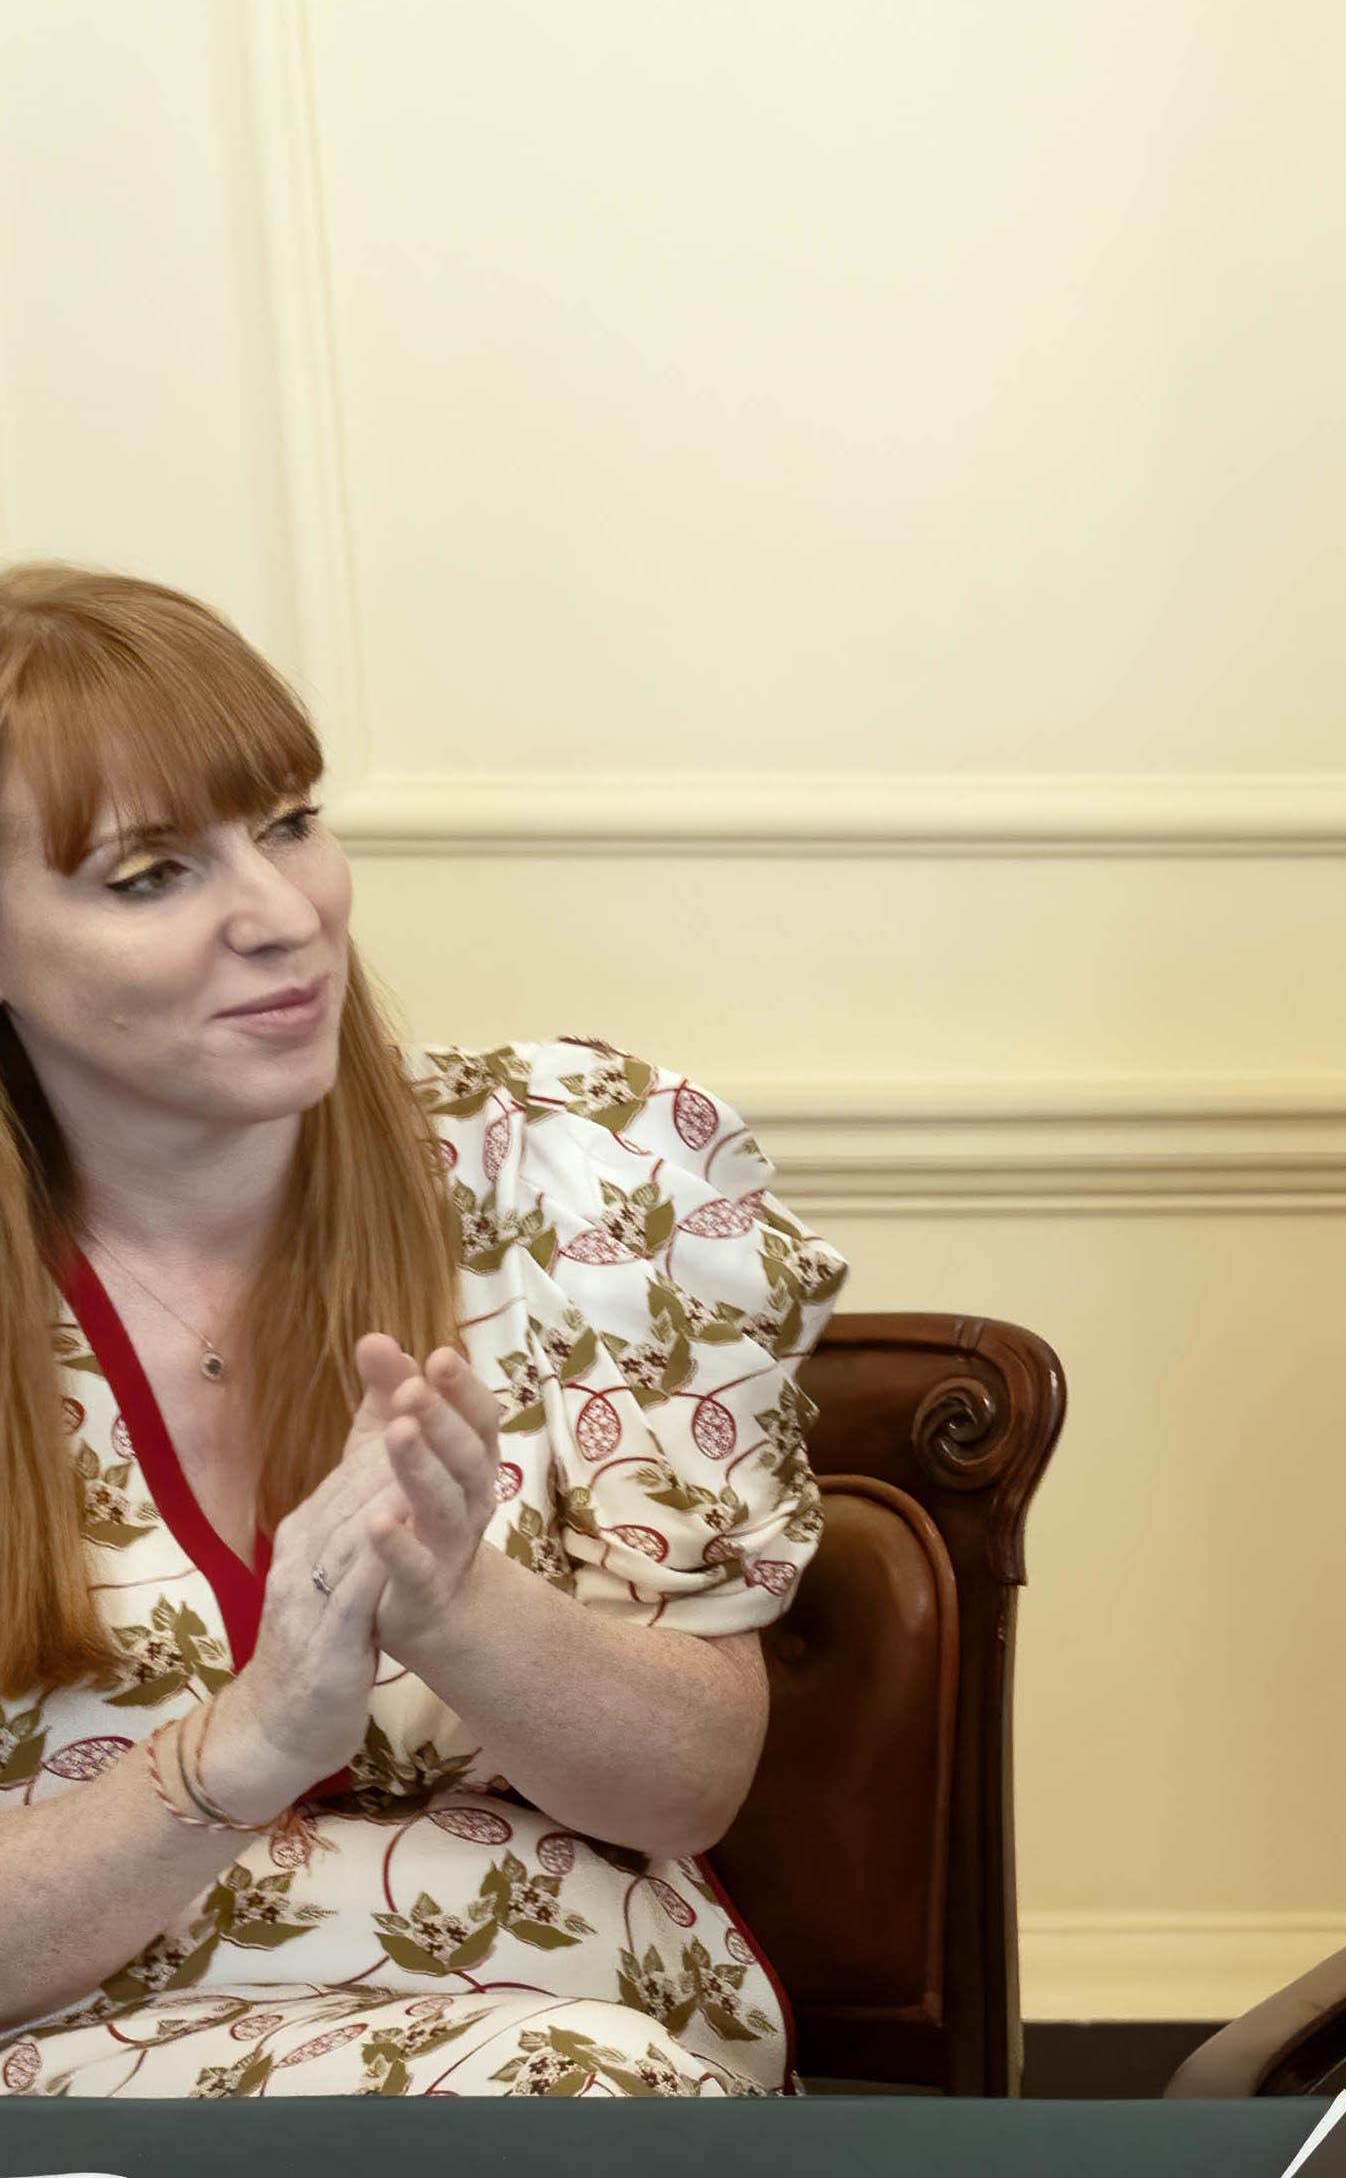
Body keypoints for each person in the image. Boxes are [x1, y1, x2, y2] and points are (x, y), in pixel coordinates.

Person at [0, 566, 840, 2095]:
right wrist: (234, 1753)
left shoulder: (584, 1170)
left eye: (289, 823)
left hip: (585, 2069)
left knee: (576, 2098)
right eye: (150, 875)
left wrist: (455, 1600)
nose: (280, 916)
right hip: (79, 2120)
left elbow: (688, 1786)